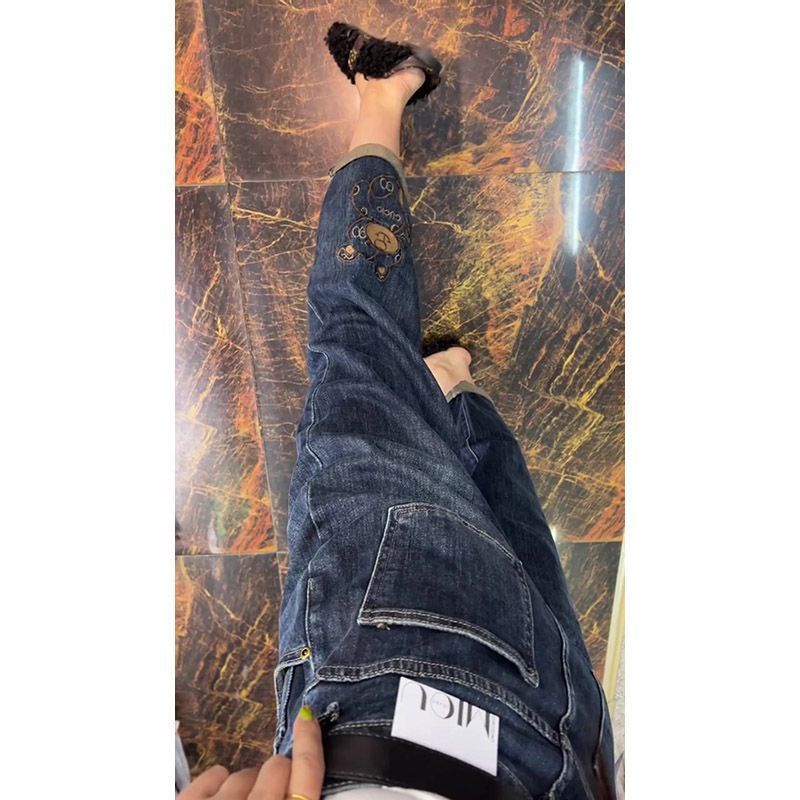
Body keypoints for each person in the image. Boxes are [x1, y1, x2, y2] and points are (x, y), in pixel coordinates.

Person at [179, 22, 616, 800]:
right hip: (392, 723)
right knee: (356, 344)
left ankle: (454, 386)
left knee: (517, 547)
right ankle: (383, 95)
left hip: (573, 767)